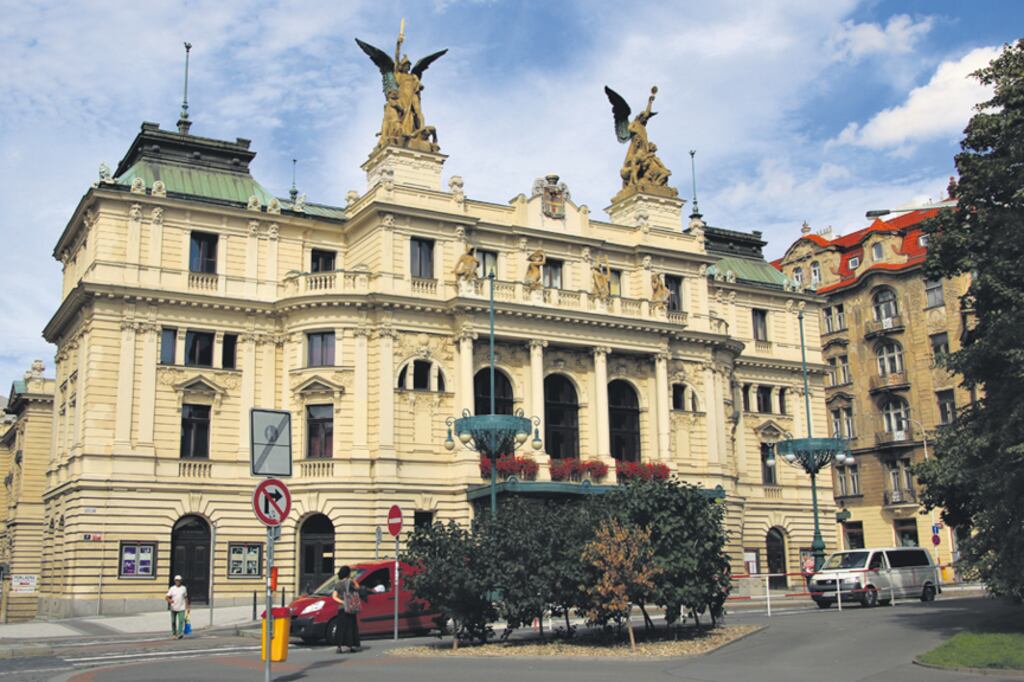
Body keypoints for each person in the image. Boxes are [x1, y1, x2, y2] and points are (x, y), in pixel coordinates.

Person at [332, 566, 362, 653]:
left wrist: (342, 602)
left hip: (342, 609)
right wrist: (353, 580)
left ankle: (339, 647)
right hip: (351, 607)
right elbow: (358, 588)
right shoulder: (351, 582)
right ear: (348, 573)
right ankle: (351, 645)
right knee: (351, 627)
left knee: (341, 627)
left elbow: (334, 596)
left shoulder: (338, 584)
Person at [166, 575, 189, 639]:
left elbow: (185, 597)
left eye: (178, 580)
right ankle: (174, 633)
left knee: (181, 620)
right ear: (174, 581)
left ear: (181, 581)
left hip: (181, 607)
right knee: (173, 621)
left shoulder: (183, 588)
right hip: (173, 607)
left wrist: (187, 606)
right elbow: (167, 597)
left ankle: (180, 633)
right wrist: (170, 600)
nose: (177, 582)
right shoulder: (172, 588)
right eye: (176, 580)